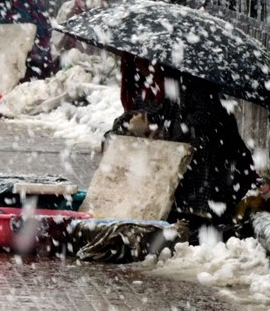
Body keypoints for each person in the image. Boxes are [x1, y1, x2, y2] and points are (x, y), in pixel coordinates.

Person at [110, 55, 258, 227]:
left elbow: (205, 122)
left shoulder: (195, 87)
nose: (138, 66)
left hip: (216, 168)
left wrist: (165, 132)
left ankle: (199, 222)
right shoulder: (152, 88)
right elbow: (137, 116)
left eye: (144, 61)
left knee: (194, 155)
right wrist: (126, 127)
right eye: (136, 61)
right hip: (182, 170)